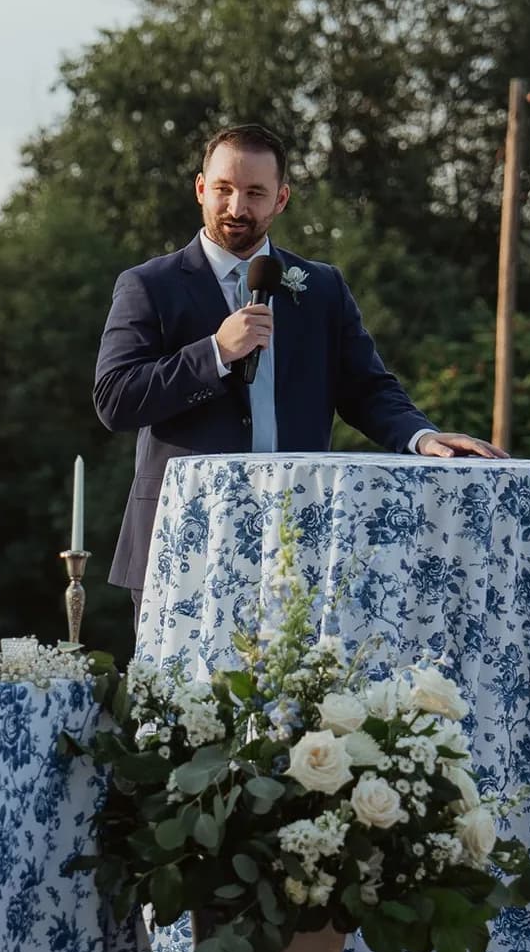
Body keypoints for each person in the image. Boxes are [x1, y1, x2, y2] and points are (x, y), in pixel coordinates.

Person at [94, 123, 505, 609]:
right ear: (201, 187)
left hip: (299, 539)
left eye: (255, 193)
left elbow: (367, 387)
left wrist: (421, 437)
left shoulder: (321, 287)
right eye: (223, 189)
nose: (236, 208)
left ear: (281, 199)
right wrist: (215, 353)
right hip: (185, 540)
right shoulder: (149, 284)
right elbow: (114, 399)